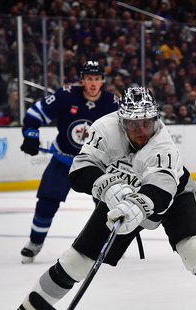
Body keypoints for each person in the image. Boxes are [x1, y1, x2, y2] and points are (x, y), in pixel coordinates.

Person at [0, 86, 196, 310]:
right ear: (121, 121)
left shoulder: (162, 145)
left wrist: (139, 205)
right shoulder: (104, 129)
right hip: (119, 194)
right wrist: (108, 187)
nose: (142, 130)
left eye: (147, 122)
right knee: (75, 261)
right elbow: (80, 170)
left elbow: (161, 190)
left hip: (173, 195)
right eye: (134, 124)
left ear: (156, 118)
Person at [18, 60, 119, 263]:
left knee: (106, 206)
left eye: (97, 79)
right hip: (64, 159)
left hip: (95, 164)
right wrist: (30, 135)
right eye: (89, 79)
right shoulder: (66, 96)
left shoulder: (112, 103)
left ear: (102, 81)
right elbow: (34, 113)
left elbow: (127, 132)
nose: (92, 83)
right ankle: (35, 242)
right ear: (82, 80)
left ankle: (108, 243)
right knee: (47, 201)